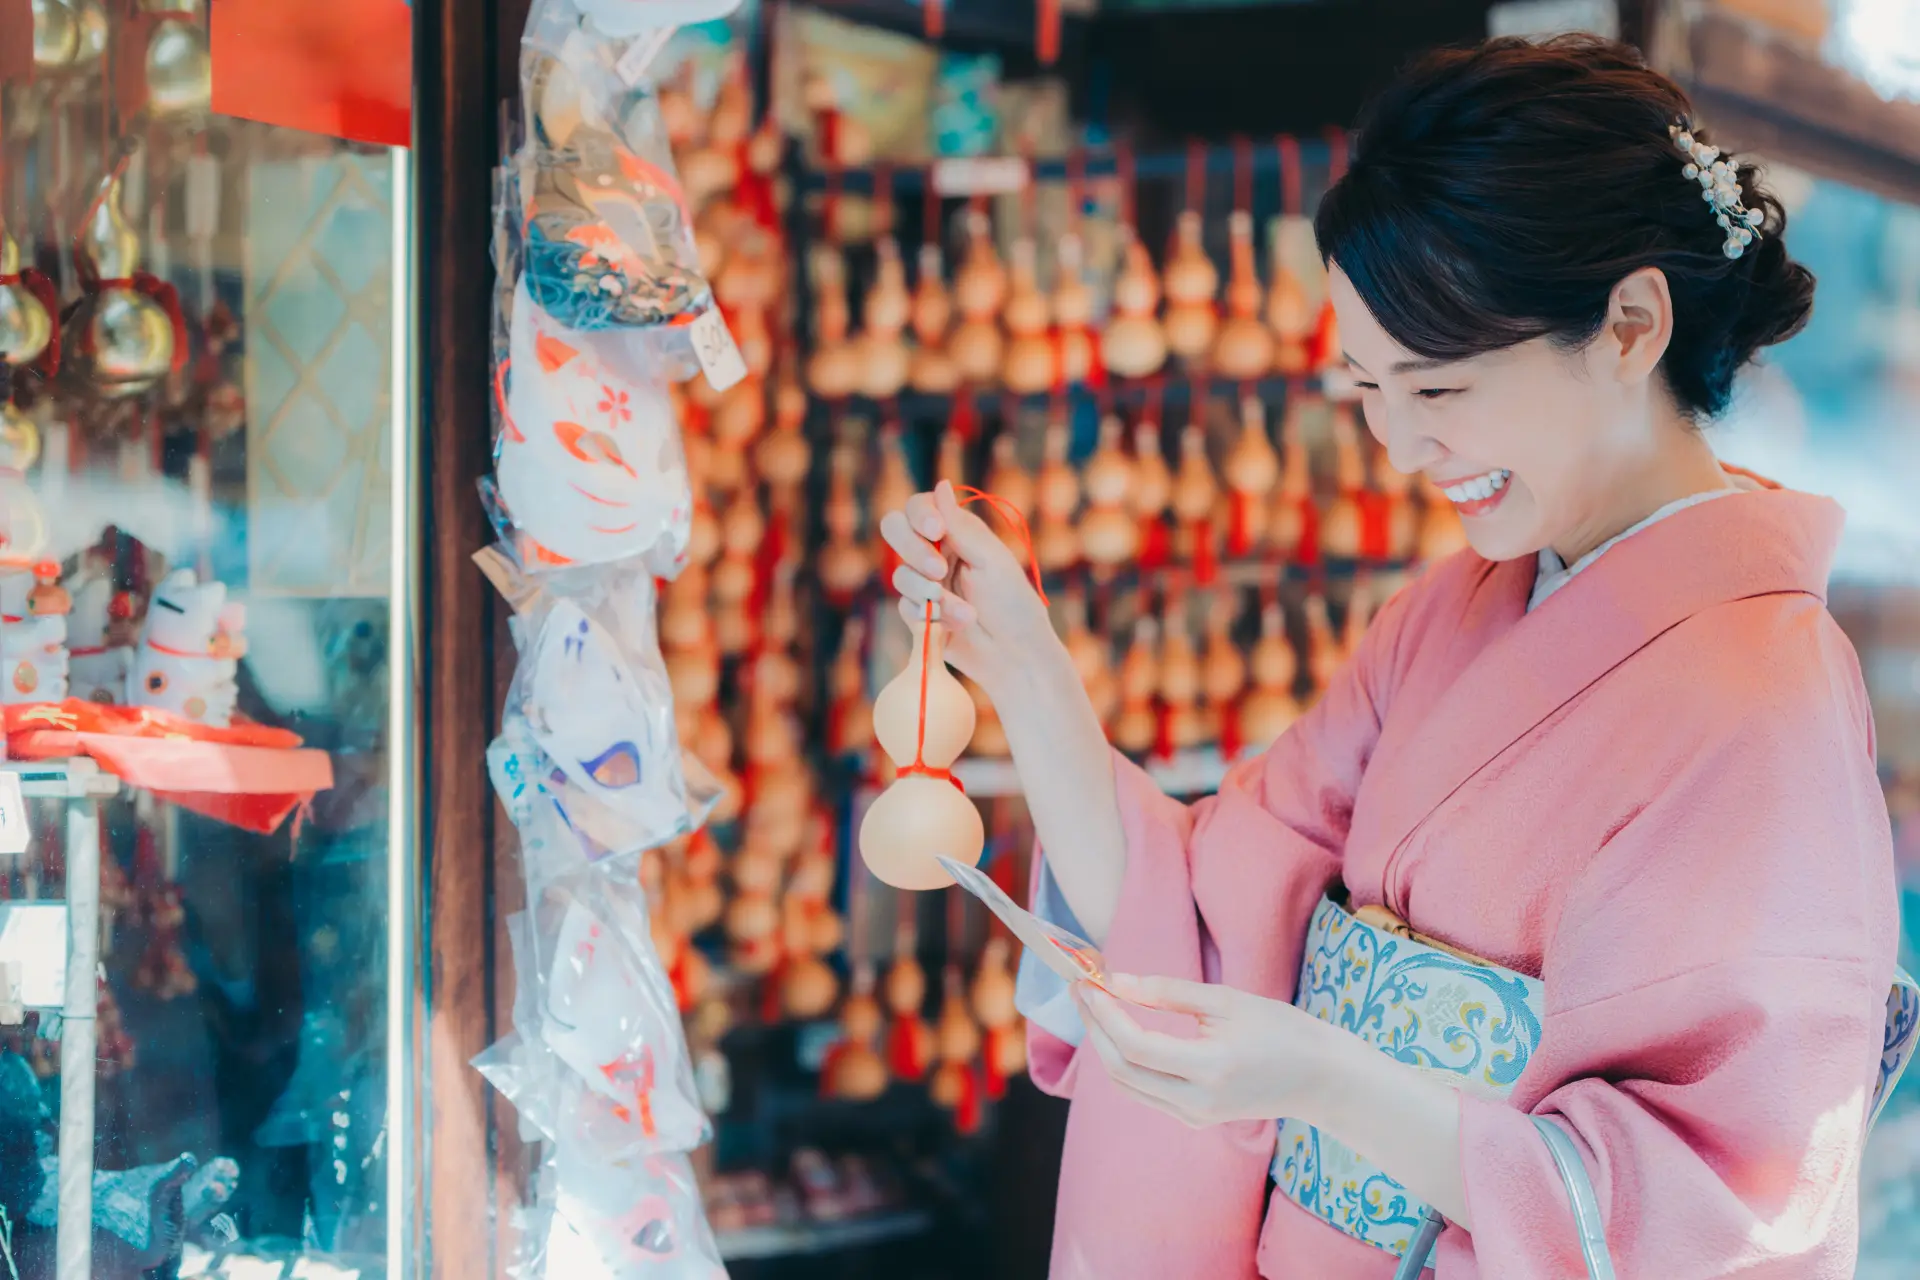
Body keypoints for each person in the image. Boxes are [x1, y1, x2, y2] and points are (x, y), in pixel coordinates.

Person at [878, 35, 1906, 1280]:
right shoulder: (1448, 611)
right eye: (1367, 387)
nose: (1402, 446)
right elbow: (1205, 903)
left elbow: (1719, 1205)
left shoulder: (1762, 703)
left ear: (1631, 322)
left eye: (1441, 387)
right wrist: (1023, 665)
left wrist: (1326, 1076)